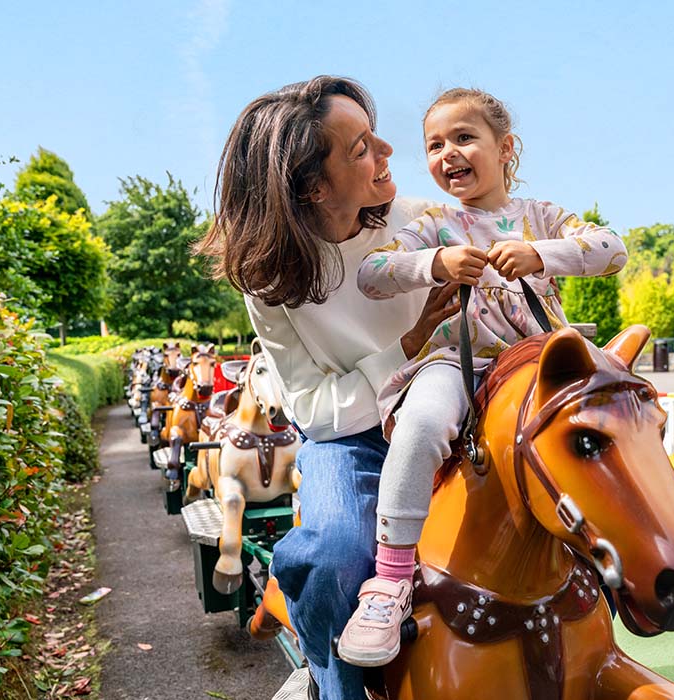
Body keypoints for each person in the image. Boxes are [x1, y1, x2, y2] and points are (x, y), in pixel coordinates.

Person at [336, 87, 627, 667]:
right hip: (458, 362)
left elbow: (611, 249)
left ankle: (624, 546)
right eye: (435, 145)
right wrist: (433, 263)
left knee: (620, 418)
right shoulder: (435, 222)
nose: (449, 153)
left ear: (505, 148)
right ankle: (390, 582)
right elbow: (372, 273)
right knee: (420, 424)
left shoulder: (542, 217)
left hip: (539, 365)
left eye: (464, 138)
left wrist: (542, 254)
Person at [197, 76, 459, 699]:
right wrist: (409, 344)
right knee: (334, 552)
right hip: (358, 436)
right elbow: (313, 411)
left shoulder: (421, 221)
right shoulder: (271, 280)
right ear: (313, 188)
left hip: (456, 403)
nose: (389, 151)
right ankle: (332, 683)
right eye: (362, 146)